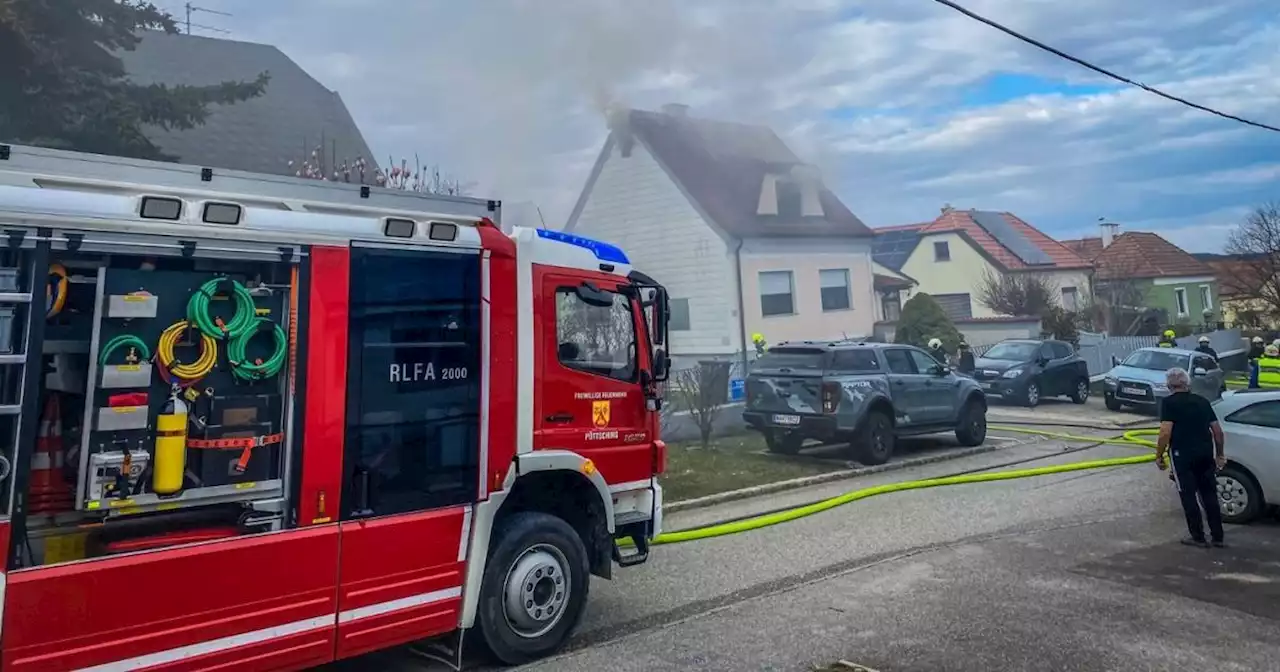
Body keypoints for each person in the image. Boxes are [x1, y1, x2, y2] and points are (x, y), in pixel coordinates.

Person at [1155, 367, 1226, 548]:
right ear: (1188, 383)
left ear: (1169, 385)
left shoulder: (1169, 403)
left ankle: (1198, 536)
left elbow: (1165, 432)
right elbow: (1217, 431)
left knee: (1188, 495)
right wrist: (1219, 454)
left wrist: (1159, 455)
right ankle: (1218, 536)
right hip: (1205, 453)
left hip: (1182, 455)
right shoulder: (1202, 401)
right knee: (1209, 494)